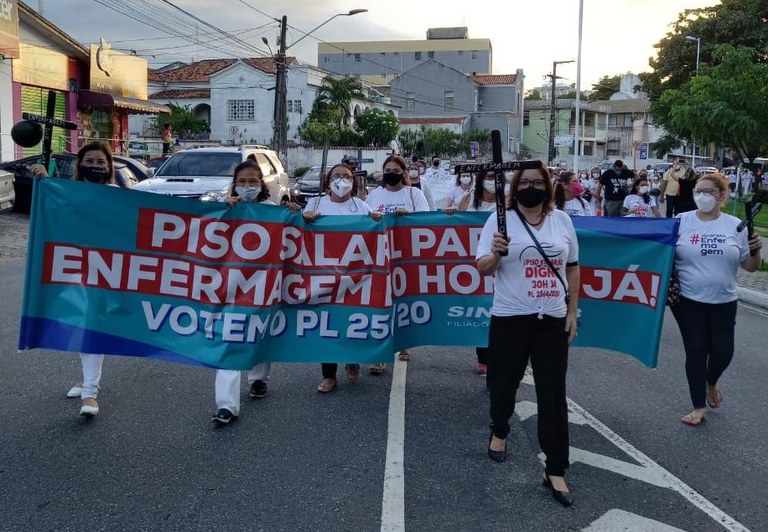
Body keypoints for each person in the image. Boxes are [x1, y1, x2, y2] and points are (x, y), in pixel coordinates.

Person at [476, 164, 580, 507]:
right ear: (514, 187)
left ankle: (555, 467)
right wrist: (496, 253)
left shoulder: (561, 221)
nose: (531, 188)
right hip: (511, 317)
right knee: (503, 384)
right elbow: (483, 268)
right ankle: (499, 429)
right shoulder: (499, 220)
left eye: (538, 182)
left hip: (551, 318)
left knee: (553, 394)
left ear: (548, 187)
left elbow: (573, 267)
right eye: (525, 183)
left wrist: (571, 310)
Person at [29, 141, 118, 418]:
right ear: (80, 165)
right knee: (81, 324)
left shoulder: (118, 195)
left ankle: (90, 392)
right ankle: (87, 379)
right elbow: (52, 210)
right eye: (89, 161)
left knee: (92, 325)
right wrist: (44, 181)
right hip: (75, 268)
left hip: (107, 271)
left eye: (100, 162)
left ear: (109, 166)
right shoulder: (68, 191)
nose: (95, 166)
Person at [670, 172, 762, 426]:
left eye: (709, 192)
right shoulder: (680, 221)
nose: (702, 196)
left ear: (722, 196)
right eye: (698, 191)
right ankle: (698, 406)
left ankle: (711, 383)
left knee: (723, 353)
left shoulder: (735, 225)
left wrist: (756, 251)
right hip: (688, 300)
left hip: (724, 301)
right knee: (696, 351)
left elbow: (751, 267)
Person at [303, 163, 382, 393]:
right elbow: (301, 230)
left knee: (351, 320)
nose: (341, 180)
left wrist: (377, 219)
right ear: (328, 181)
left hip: (354, 275)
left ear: (353, 182)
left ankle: (352, 358)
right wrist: (306, 218)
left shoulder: (361, 206)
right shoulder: (316, 203)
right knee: (327, 324)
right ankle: (329, 375)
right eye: (336, 176)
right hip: (324, 274)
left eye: (346, 176)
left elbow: (376, 230)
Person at [211, 160, 277, 424]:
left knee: (260, 333)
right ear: (234, 184)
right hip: (230, 285)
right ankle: (226, 405)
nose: (247, 186)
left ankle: (258, 379)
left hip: (263, 284)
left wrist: (297, 214)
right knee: (229, 339)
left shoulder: (273, 210)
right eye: (242, 181)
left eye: (252, 181)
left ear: (261, 184)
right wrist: (223, 210)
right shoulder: (226, 208)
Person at [366, 155, 430, 373]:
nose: (391, 174)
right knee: (379, 303)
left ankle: (404, 343)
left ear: (403, 173)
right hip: (379, 256)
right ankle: (379, 354)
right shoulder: (374, 195)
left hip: (406, 256)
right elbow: (364, 220)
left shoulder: (414, 194)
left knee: (403, 300)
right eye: (388, 170)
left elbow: (426, 220)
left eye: (396, 170)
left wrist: (409, 216)